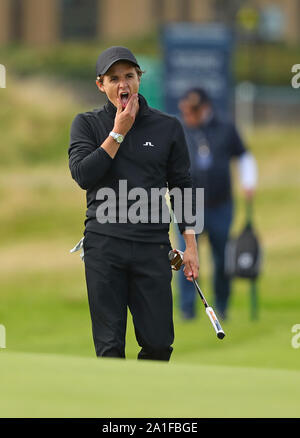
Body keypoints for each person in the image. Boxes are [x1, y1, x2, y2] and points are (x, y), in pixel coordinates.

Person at [68, 46, 199, 361]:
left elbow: (182, 187)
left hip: (152, 247)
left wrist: (191, 246)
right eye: (114, 78)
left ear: (139, 78)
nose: (122, 84)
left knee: (158, 344)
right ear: (101, 85)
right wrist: (118, 132)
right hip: (103, 246)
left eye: (129, 76)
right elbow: (83, 174)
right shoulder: (86, 124)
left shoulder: (168, 128)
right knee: (110, 347)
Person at [177, 88, 257, 321]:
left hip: (220, 205)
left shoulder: (226, 128)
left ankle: (222, 306)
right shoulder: (180, 129)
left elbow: (243, 156)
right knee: (185, 257)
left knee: (222, 258)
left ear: (205, 109)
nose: (188, 116)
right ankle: (187, 309)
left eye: (192, 111)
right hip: (188, 205)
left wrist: (248, 182)